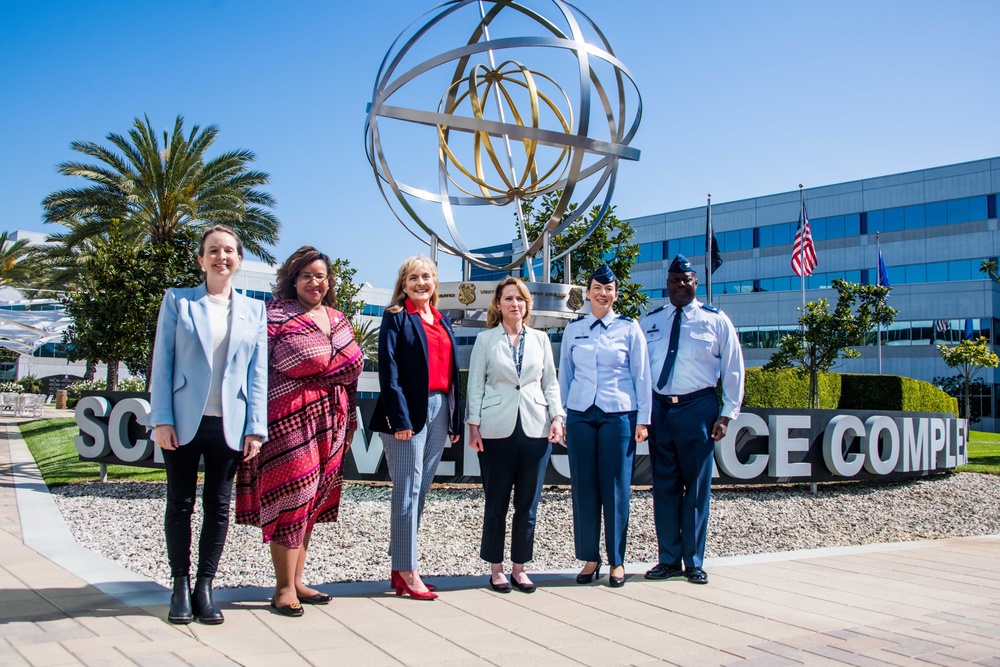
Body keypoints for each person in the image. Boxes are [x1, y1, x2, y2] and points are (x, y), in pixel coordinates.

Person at [148, 225, 267, 625]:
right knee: (180, 503)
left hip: (229, 426)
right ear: (201, 259)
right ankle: (179, 587)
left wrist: (256, 427)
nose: (221, 257)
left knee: (218, 507)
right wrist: (161, 418)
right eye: (213, 250)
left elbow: (257, 375)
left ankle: (205, 587)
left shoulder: (255, 310)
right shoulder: (178, 302)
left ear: (239, 259)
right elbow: (162, 365)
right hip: (183, 423)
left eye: (229, 250)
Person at [235, 246, 363, 617]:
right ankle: (282, 587)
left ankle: (297, 580)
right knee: (293, 498)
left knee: (312, 502)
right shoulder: (274, 315)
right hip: (289, 417)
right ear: (292, 279)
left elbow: (351, 376)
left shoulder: (338, 318)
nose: (314, 282)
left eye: (321, 276)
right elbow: (260, 367)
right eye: (306, 275)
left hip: (332, 420)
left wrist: (350, 421)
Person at [639, 254, 744, 585]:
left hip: (698, 409)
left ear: (695, 283)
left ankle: (694, 561)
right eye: (674, 280)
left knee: (697, 488)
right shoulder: (650, 321)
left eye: (686, 280)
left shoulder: (715, 320)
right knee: (664, 487)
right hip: (660, 410)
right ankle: (668, 559)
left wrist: (727, 414)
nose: (680, 285)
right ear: (667, 284)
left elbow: (733, 368)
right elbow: (638, 371)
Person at [369, 256, 462, 601]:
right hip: (408, 413)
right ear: (404, 284)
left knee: (419, 491)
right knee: (406, 492)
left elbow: (452, 374)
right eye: (413, 278)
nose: (420, 282)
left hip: (439, 410)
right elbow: (388, 373)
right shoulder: (396, 318)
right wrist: (400, 419)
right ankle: (408, 571)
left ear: (435, 282)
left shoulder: (442, 320)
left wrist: (453, 417)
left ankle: (399, 568)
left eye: (426, 276)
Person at [466, 277, 565, 594]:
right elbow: (476, 385)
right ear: (498, 304)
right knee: (496, 503)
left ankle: (520, 568)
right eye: (508, 298)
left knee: (528, 504)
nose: (514, 304)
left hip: (535, 429)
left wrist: (557, 417)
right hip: (496, 430)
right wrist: (473, 424)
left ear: (527, 304)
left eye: (519, 299)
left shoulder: (541, 340)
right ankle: (496, 570)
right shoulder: (485, 340)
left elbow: (550, 382)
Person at [559, 264, 651, 588]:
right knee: (584, 486)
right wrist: (564, 416)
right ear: (587, 293)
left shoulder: (629, 328)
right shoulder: (574, 329)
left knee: (616, 487)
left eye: (608, 289)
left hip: (618, 414)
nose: (602, 294)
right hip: (582, 413)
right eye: (597, 288)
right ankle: (590, 558)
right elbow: (565, 375)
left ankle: (617, 561)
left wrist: (644, 420)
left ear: (615, 294)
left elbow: (642, 375)